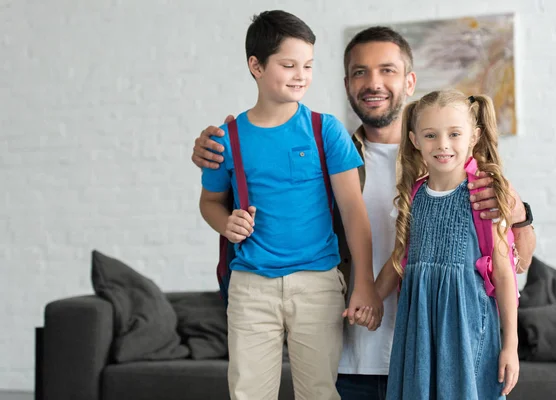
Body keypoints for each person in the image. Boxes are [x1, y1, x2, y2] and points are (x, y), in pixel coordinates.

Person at [193, 26, 536, 400]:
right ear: (346, 83)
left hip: (431, 353)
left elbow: (514, 262)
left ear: (410, 81)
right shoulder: (329, 149)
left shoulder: (454, 168)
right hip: (350, 354)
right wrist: (223, 145)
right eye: (360, 72)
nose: (373, 82)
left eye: (387, 70)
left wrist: (520, 215)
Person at [198, 10, 381, 400]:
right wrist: (224, 223)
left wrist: (363, 282)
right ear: (256, 66)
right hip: (250, 287)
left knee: (318, 392)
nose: (301, 75)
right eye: (288, 65)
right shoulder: (226, 138)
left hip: (317, 284)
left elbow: (353, 211)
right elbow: (210, 202)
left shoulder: (324, 129)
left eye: (308, 65)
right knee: (248, 393)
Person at [375, 89, 520, 399]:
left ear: (474, 136)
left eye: (454, 134)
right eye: (430, 135)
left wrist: (511, 345)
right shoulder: (413, 197)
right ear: (414, 140)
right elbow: (399, 259)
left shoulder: (485, 196)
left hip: (469, 332)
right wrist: (370, 297)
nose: (442, 144)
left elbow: (504, 273)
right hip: (419, 334)